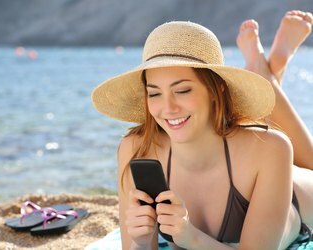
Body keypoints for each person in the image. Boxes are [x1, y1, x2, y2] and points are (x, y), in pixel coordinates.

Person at [91, 10, 313, 249]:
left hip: (293, 197)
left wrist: (191, 237)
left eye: (183, 90)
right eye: (154, 93)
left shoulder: (270, 148)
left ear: (216, 91)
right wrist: (143, 242)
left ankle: (266, 74)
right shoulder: (136, 148)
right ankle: (267, 73)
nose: (168, 108)